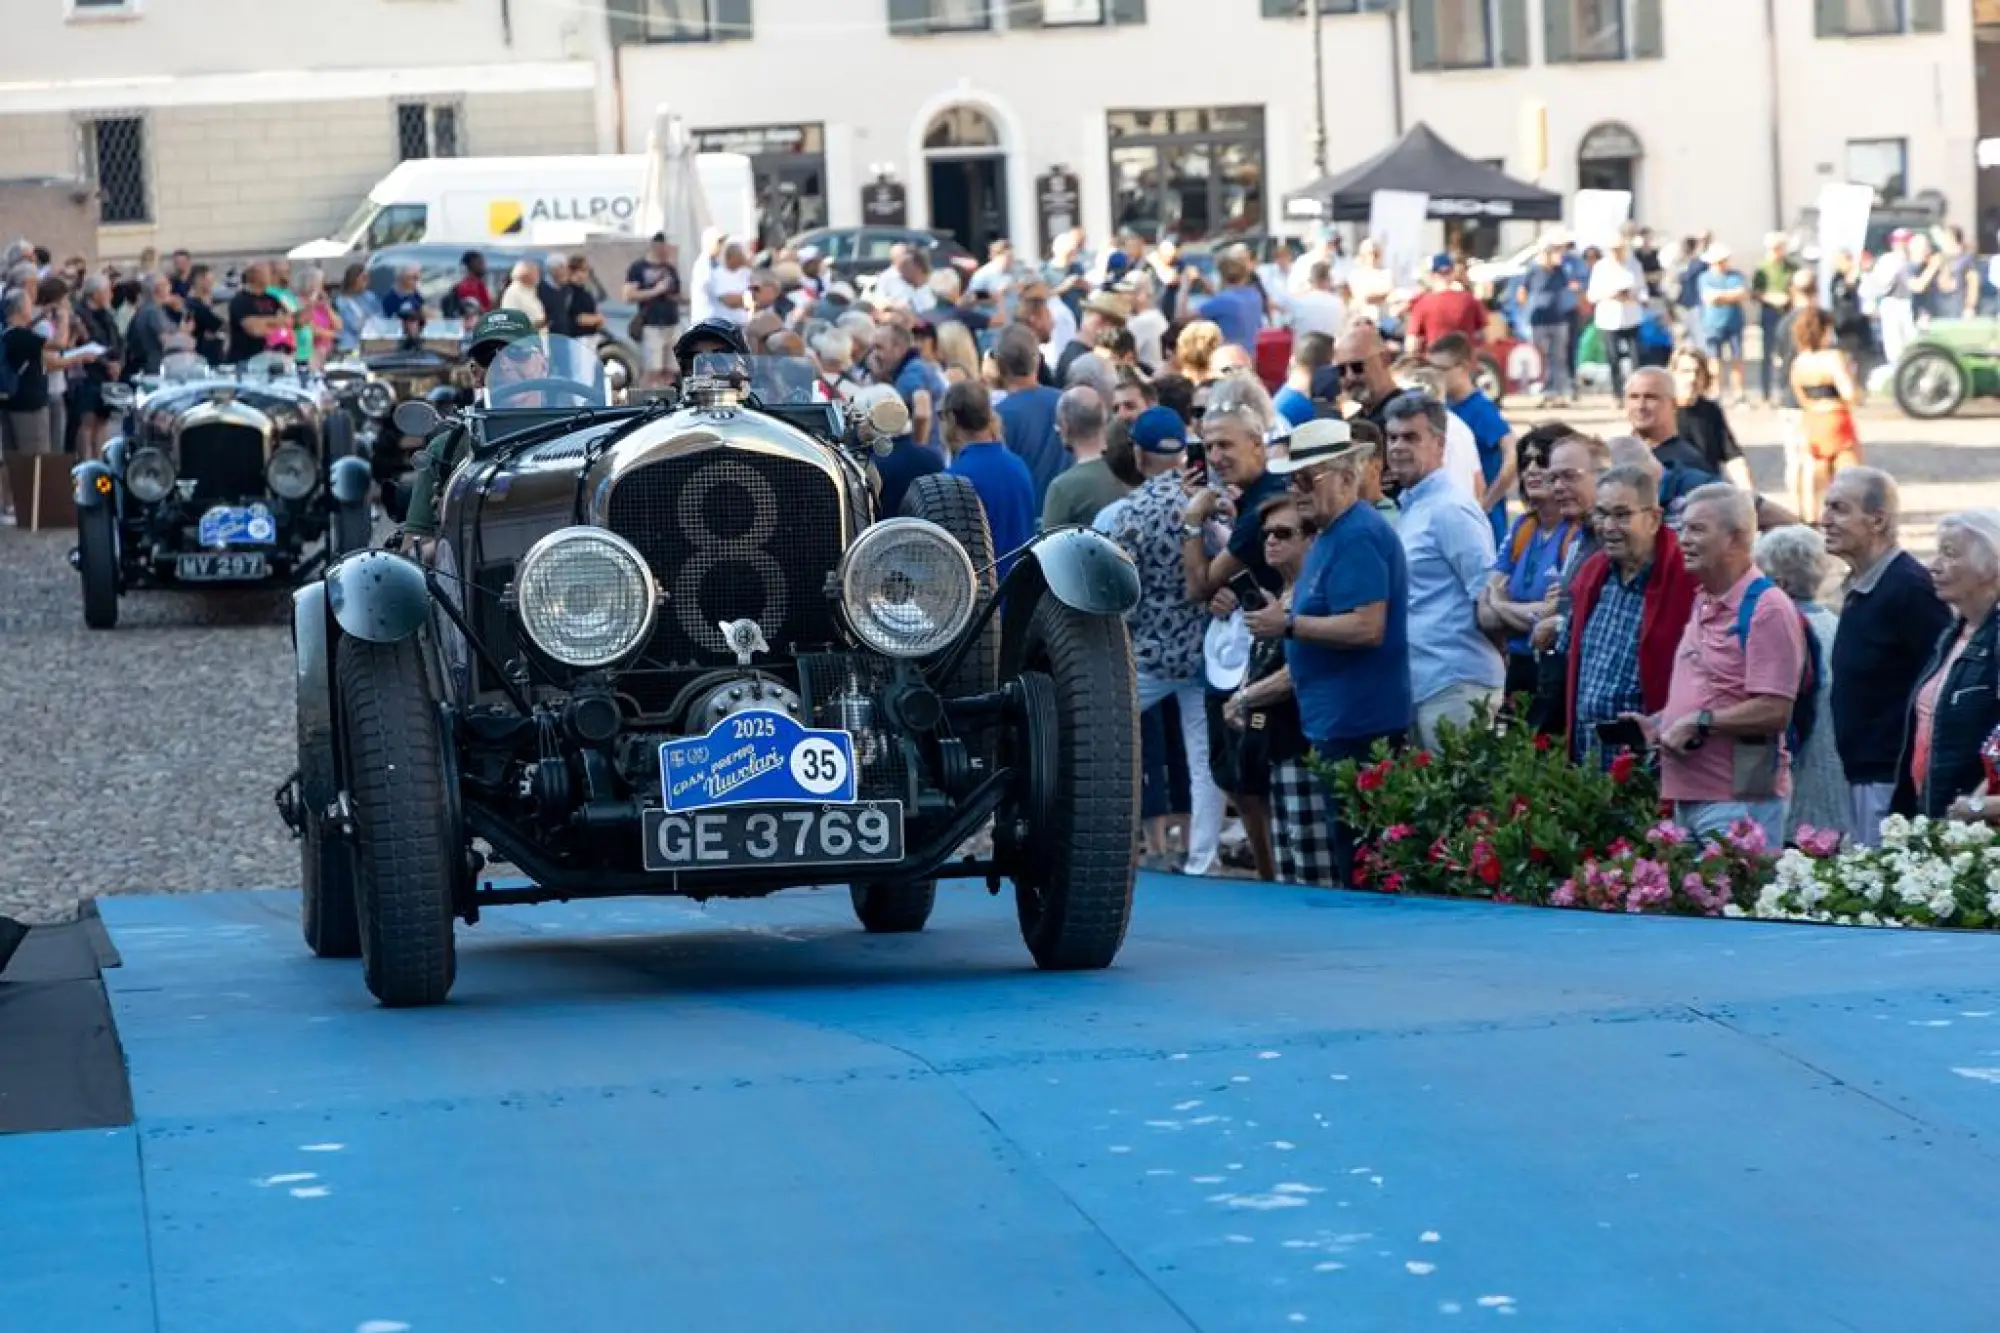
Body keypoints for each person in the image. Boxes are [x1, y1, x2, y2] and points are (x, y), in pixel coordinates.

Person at [1253, 420, 1412, 886]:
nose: (1296, 490)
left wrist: (1288, 624)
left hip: (1360, 724)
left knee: (1363, 857)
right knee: (1353, 855)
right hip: (1342, 721)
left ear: (1346, 475)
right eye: (1291, 479)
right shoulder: (1333, 533)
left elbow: (1367, 626)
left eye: (1306, 478)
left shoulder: (1356, 534)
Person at [1628, 484, 1806, 848]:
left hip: (1738, 801)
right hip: (1689, 796)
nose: (1683, 540)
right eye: (1682, 528)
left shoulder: (1767, 608)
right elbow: (1714, 691)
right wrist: (1660, 723)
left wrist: (1699, 722)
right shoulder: (1705, 599)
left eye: (1697, 529)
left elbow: (1775, 709)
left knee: (1732, 903)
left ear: (1734, 539)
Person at [1108, 406, 1228, 876]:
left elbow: (1121, 592)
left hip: (1149, 655)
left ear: (1139, 453)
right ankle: (1203, 857)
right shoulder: (1209, 500)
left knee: (1107, 737)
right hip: (1203, 650)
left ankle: (1109, 842)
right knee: (1203, 759)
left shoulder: (1130, 513)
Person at [1818, 467, 1952, 846]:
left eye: (1839, 509)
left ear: (1877, 520)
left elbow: (1939, 682)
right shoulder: (1864, 584)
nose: (1824, 519)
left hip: (1890, 780)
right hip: (1861, 773)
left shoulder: (1909, 588)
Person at [1221, 490, 1335, 886]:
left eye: (1283, 533)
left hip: (1307, 746)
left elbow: (1297, 671)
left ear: (1311, 539)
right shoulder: (1281, 594)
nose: (1271, 540)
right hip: (1277, 747)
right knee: (1288, 870)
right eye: (1267, 534)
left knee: (1313, 872)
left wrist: (1244, 698)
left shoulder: (1315, 593)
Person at [1383, 393, 1503, 750]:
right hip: (1424, 683)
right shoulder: (1413, 507)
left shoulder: (1451, 508)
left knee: (1461, 803)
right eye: (1392, 438)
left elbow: (1487, 596)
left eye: (1411, 437)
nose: (1398, 448)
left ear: (1439, 444)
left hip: (1456, 683)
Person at [1563, 464, 1698, 767]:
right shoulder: (1592, 574)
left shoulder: (1686, 580)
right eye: (1601, 514)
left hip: (1652, 762)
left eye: (1622, 515)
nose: (1608, 527)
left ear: (1653, 519)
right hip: (1588, 762)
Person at [399, 309, 556, 542]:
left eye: (517, 352)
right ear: (476, 373)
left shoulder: (582, 433)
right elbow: (414, 549)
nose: (504, 364)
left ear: (543, 364)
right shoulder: (447, 450)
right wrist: (447, 540)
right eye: (488, 356)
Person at [1896, 509, 2000, 823]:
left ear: (1990, 566)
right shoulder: (1953, 634)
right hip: (1937, 814)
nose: (1933, 566)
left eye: (1950, 554)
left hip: (1975, 830)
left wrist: (1978, 805)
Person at [1753, 524, 1843, 843]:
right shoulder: (1840, 627)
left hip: (1792, 793)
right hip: (1837, 788)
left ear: (1780, 583)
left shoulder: (1775, 632)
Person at [1479, 426, 1579, 707]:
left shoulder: (1577, 533)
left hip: (1554, 673)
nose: (1532, 469)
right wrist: (1524, 613)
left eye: (1542, 461)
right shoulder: (1523, 526)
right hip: (1517, 672)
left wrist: (1501, 604)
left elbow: (1556, 614)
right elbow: (1485, 615)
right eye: (1526, 462)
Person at [938, 380, 1036, 580]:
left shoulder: (953, 480)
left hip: (985, 601)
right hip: (1021, 593)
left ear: (952, 418)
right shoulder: (1018, 465)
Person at [1787, 307, 1862, 524]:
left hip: (1813, 422)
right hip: (1836, 419)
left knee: (1817, 482)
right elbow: (1849, 393)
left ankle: (1816, 521)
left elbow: (1800, 396)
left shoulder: (1799, 362)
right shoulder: (1833, 358)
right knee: (1850, 481)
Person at [1039, 385, 1128, 531]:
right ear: (1104, 420)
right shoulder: (1128, 470)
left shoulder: (1063, 488)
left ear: (1066, 426)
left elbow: (1049, 550)